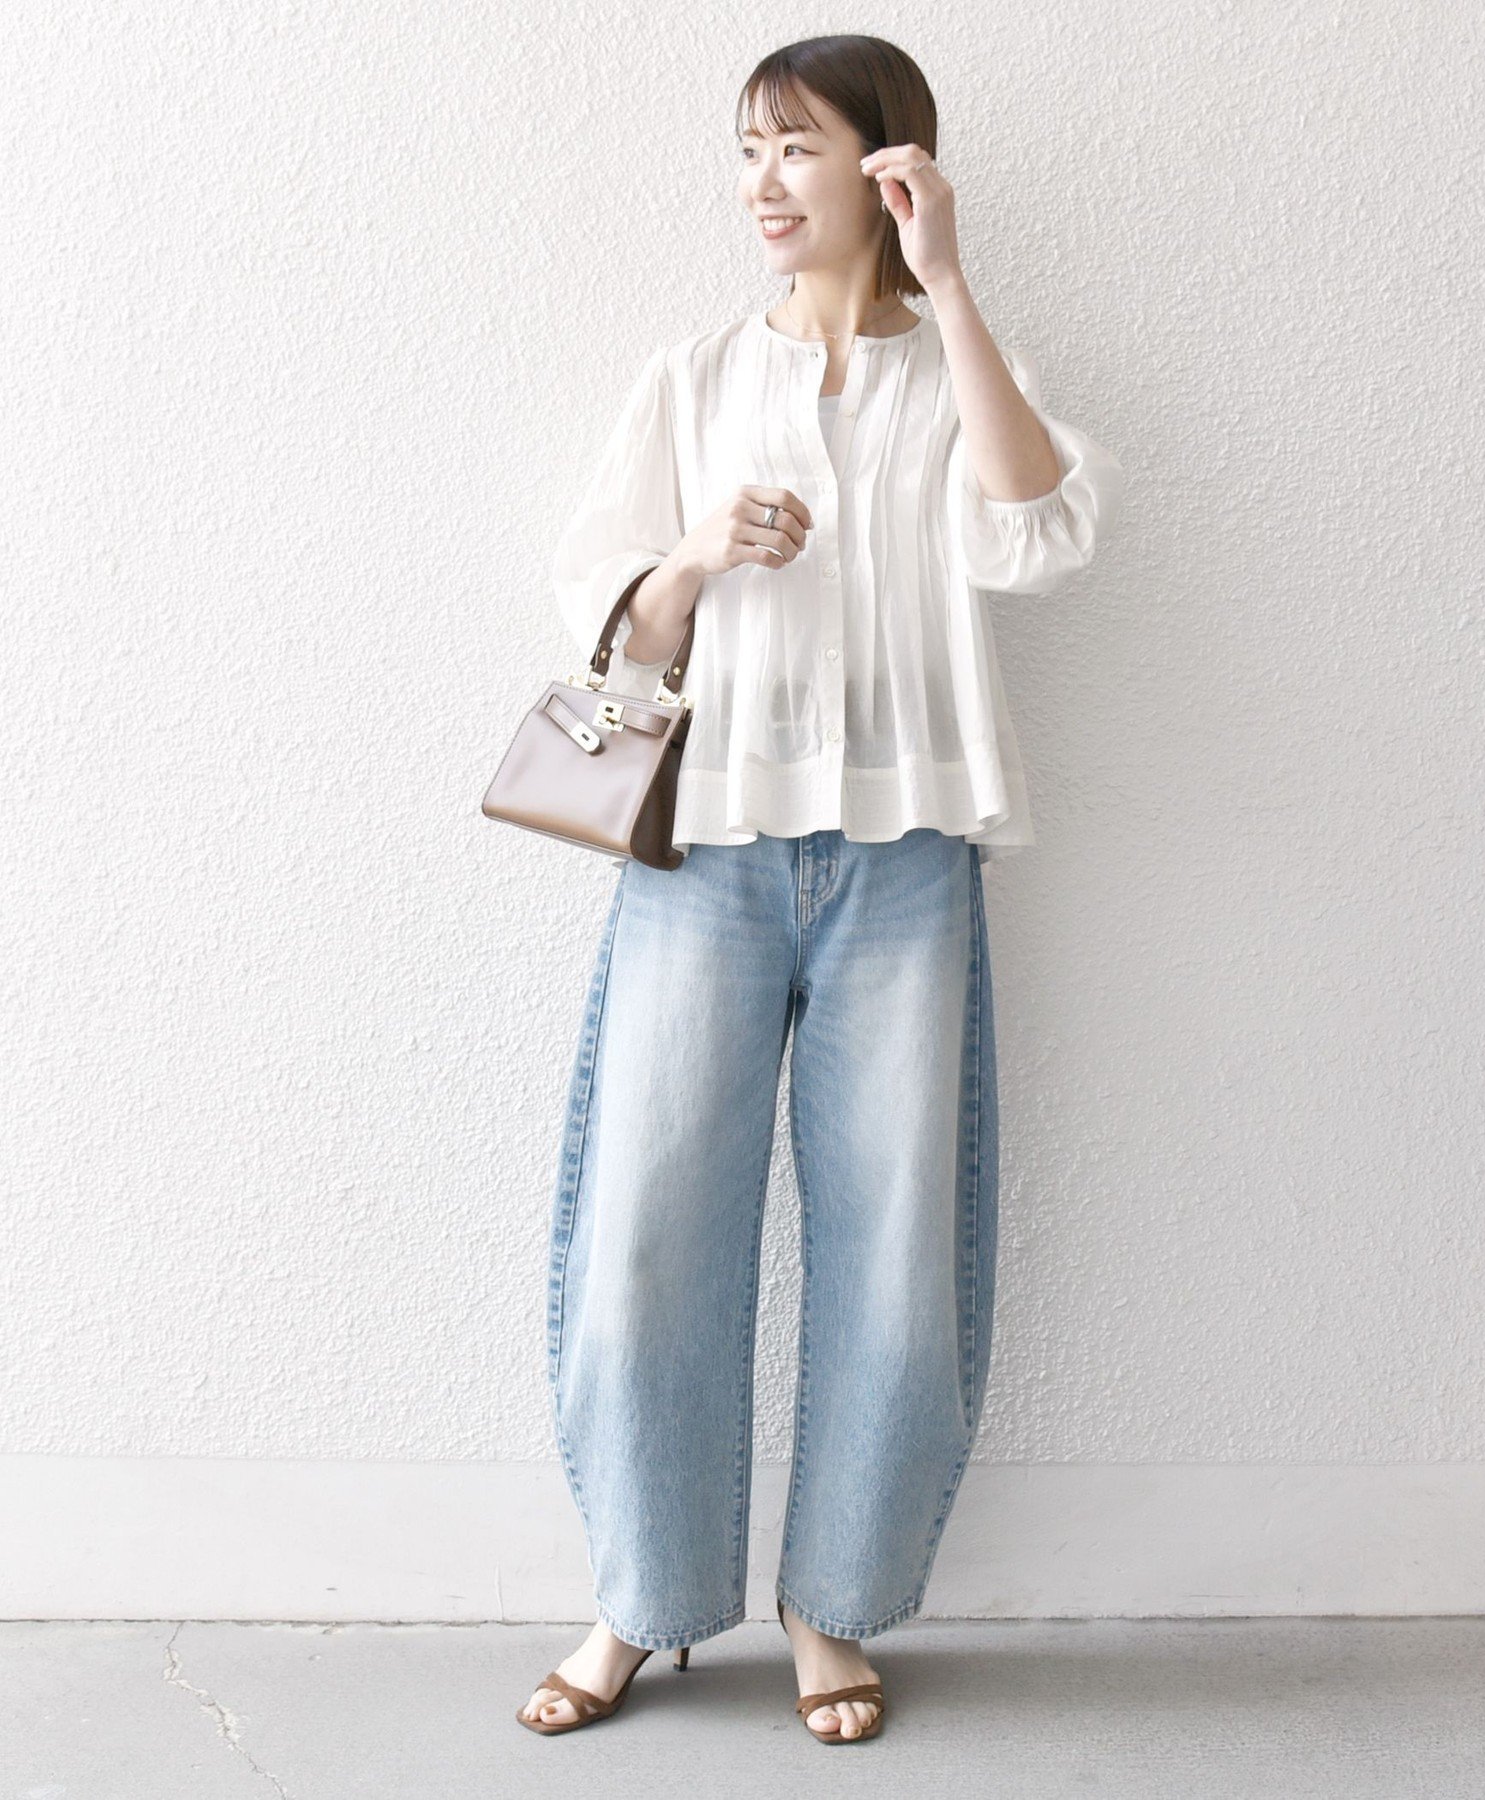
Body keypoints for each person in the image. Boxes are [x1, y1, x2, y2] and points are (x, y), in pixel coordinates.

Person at [517, 35, 1123, 1744]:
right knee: (647, 1236)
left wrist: (952, 282)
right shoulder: (697, 377)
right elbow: (608, 616)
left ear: (886, 163)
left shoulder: (960, 372)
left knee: (894, 1249)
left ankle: (830, 1603)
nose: (762, 183)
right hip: (705, 852)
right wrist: (699, 553)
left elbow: (1041, 533)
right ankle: (641, 1595)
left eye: (796, 147)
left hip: (906, 856)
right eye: (748, 150)